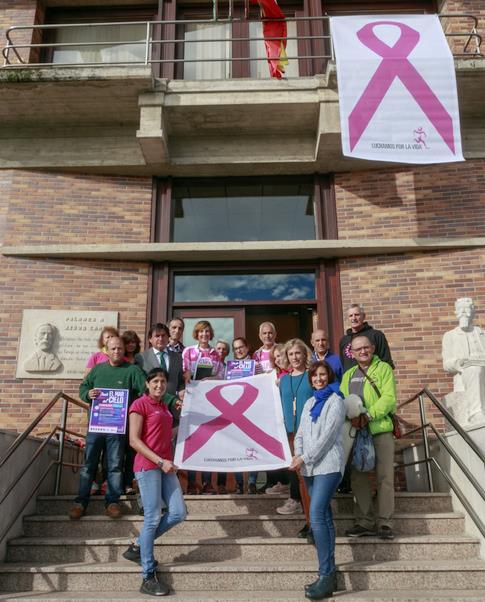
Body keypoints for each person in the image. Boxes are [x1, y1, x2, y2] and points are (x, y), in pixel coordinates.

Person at [123, 368, 186, 596]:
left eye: (163, 382)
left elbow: (166, 434)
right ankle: (147, 576)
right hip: (149, 466)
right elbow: (134, 440)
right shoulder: (139, 404)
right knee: (152, 517)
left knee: (179, 512)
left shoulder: (164, 408)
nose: (160, 385)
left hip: (165, 466)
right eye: (156, 381)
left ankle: (138, 545)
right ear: (148, 384)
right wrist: (160, 462)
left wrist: (192, 424)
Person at [69, 337, 146, 520]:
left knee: (114, 466)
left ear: (124, 350)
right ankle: (80, 502)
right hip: (96, 427)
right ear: (107, 350)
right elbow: (83, 388)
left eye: (120, 348)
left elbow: (147, 389)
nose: (117, 352)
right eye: (113, 349)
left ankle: (112, 502)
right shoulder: (97, 369)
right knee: (88, 466)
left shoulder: (132, 370)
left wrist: (169, 400)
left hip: (117, 428)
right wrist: (87, 394)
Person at [292, 360, 345, 600]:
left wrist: (304, 457)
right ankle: (331, 575)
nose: (319, 379)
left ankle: (325, 575)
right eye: (315, 376)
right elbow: (301, 432)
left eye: (323, 375)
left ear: (329, 377)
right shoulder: (309, 403)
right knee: (324, 515)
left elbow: (327, 437)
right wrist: (297, 453)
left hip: (329, 466)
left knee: (315, 515)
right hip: (308, 468)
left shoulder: (336, 401)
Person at [340, 335, 397, 540]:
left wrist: (369, 415)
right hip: (356, 432)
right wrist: (351, 417)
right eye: (358, 349)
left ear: (372, 348)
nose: (362, 351)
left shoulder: (383, 369)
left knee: (385, 477)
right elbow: (342, 400)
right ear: (352, 353)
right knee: (358, 477)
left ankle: (385, 522)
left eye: (366, 347)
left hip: (380, 429)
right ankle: (364, 521)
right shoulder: (348, 375)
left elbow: (389, 398)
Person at [182, 320, 223, 494]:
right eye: (200, 332)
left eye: (207, 331)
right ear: (196, 334)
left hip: (210, 401)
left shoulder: (216, 354)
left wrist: (211, 380)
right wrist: (188, 377)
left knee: (208, 441)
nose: (204, 334)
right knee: (193, 441)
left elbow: (222, 375)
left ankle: (207, 483)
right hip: (192, 400)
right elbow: (183, 373)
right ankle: (192, 483)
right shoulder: (188, 351)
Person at [276, 339, 313, 522]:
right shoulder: (283, 381)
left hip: (308, 431)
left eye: (298, 353)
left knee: (306, 470)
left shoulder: (312, 376)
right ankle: (295, 499)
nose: (295, 357)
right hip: (289, 431)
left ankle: (309, 505)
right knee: (293, 468)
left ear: (304, 354)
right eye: (291, 354)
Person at [442, 297, 485, 423]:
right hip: (465, 373)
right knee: (474, 369)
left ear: (473, 312)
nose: (464, 312)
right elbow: (446, 365)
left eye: (467, 309)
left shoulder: (482, 334)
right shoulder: (450, 336)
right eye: (460, 309)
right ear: (456, 312)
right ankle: (475, 413)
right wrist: (459, 362)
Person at [339, 304, 394, 372]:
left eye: (357, 315)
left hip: (373, 379)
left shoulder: (376, 335)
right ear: (347, 319)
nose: (354, 318)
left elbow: (386, 361)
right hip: (351, 380)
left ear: (363, 316)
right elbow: (343, 365)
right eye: (350, 316)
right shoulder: (344, 340)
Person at [136, 323, 185, 397]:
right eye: (157, 336)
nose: (161, 339)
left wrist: (182, 390)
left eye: (163, 335)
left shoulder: (177, 357)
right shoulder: (141, 358)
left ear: (168, 337)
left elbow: (181, 380)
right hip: (150, 403)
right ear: (150, 339)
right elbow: (140, 384)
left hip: (172, 404)